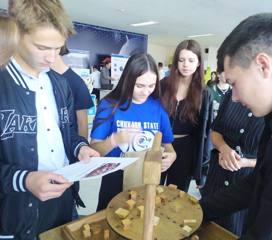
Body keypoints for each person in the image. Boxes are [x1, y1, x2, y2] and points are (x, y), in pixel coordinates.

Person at [200, 13, 272, 239]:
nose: (233, 97)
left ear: (263, 65)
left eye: (234, 83)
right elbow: (258, 183)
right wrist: (199, 210)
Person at [0, 0, 99, 239]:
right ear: (17, 34)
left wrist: (80, 148)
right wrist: (25, 180)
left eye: (58, 48)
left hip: (64, 203)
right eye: (43, 48)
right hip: (14, 213)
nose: (52, 57)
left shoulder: (59, 83)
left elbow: (67, 133)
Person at [90, 53, 176, 210]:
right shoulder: (110, 105)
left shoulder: (158, 107)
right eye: (139, 86)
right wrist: (114, 140)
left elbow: (167, 143)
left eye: (151, 86)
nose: (146, 92)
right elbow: (93, 150)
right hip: (115, 178)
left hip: (147, 177)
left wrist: (172, 156)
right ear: (128, 81)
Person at [201, 65, 264, 235]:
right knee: (204, 226)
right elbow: (215, 131)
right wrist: (223, 148)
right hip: (217, 175)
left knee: (233, 231)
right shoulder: (231, 95)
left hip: (245, 185)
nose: (235, 94)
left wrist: (246, 162)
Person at [160, 39, 214, 192]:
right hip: (159, 145)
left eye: (191, 60)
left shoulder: (204, 94)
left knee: (176, 195)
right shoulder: (163, 85)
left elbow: (205, 132)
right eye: (181, 60)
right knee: (152, 191)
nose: (185, 65)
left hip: (186, 150)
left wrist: (203, 168)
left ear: (198, 63)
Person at [51, 45, 94, 139]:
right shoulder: (45, 78)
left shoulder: (76, 83)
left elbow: (82, 125)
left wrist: (80, 149)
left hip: (68, 147)